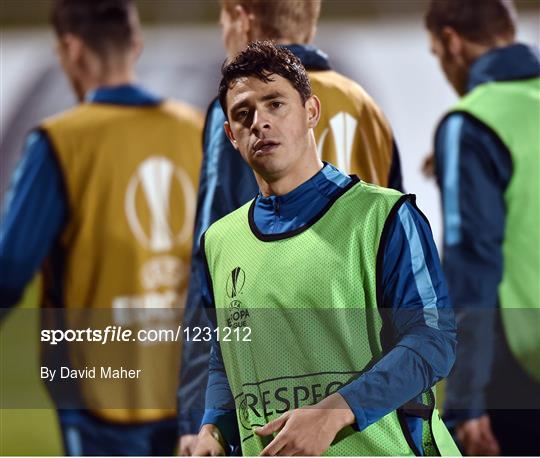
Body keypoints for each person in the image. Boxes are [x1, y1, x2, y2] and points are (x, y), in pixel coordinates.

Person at [188, 41, 459, 457]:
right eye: (243, 114)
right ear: (230, 134)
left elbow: (432, 340)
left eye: (275, 104)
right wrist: (213, 428)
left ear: (311, 112)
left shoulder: (384, 216)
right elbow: (227, 355)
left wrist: (336, 411)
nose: (259, 122)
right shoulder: (220, 241)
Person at [0, 0, 202, 455]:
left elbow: (10, 269)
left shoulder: (60, 140)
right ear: (136, 45)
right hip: (189, 386)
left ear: (72, 50)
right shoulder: (197, 130)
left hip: (95, 390)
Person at [425, 0, 540, 455]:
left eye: (437, 55)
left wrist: (465, 402)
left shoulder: (471, 123)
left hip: (518, 369)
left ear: (451, 41)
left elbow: (473, 262)